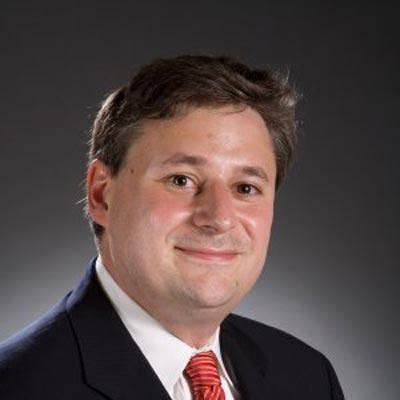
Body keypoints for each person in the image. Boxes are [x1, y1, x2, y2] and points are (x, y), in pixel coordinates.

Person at [0, 54, 345, 399]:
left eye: (245, 188)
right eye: (181, 180)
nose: (219, 218)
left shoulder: (308, 376)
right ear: (102, 195)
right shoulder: (17, 386)